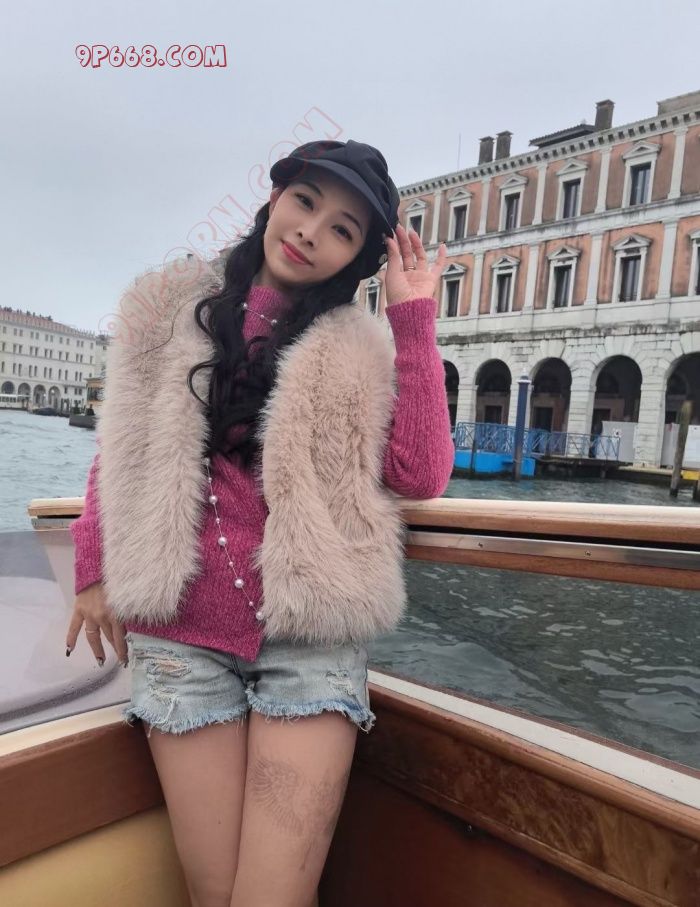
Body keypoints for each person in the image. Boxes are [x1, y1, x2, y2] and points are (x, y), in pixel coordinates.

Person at [65, 139, 454, 907]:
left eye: (342, 229)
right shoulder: (166, 306)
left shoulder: (359, 346)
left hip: (311, 639)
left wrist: (413, 320)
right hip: (181, 637)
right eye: (305, 202)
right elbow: (120, 444)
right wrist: (92, 566)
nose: (311, 231)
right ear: (274, 199)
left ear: (357, 259)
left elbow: (420, 472)